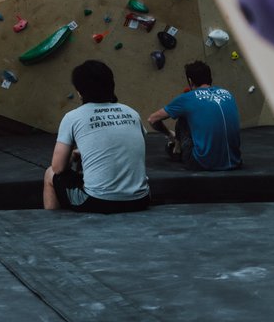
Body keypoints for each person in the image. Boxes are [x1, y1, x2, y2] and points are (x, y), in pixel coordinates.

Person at [43, 60, 150, 213]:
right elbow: (129, 147)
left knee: (50, 173)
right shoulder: (132, 112)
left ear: (79, 92)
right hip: (141, 200)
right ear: (111, 85)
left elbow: (58, 168)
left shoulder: (72, 117)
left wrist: (73, 157)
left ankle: (52, 226)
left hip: (99, 202)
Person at [148, 60, 242, 171]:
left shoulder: (187, 98)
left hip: (202, 163)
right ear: (210, 78)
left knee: (182, 118)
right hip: (235, 161)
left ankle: (177, 149)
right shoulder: (228, 94)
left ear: (190, 81)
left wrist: (169, 134)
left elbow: (152, 119)